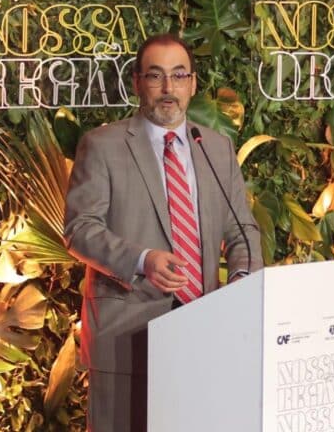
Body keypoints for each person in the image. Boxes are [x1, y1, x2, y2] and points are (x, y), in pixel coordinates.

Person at [63, 33, 263, 432]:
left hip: (204, 333)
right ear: (137, 82)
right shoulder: (103, 146)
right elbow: (79, 230)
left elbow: (242, 231)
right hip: (126, 337)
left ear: (192, 83)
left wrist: (241, 284)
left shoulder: (216, 147)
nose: (168, 89)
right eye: (156, 76)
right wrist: (142, 260)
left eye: (178, 75)